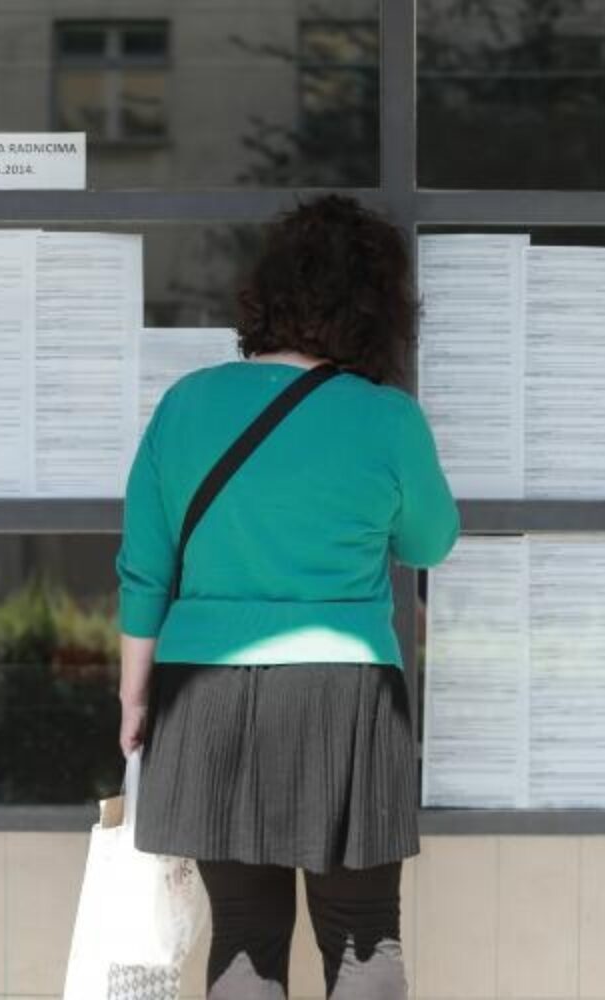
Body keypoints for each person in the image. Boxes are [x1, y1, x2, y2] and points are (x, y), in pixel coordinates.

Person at [117, 195, 458, 998]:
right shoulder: (387, 419)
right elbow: (430, 543)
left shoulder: (187, 403)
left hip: (202, 692)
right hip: (345, 693)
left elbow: (144, 569)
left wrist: (135, 698)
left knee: (242, 935)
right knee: (363, 938)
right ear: (377, 309)